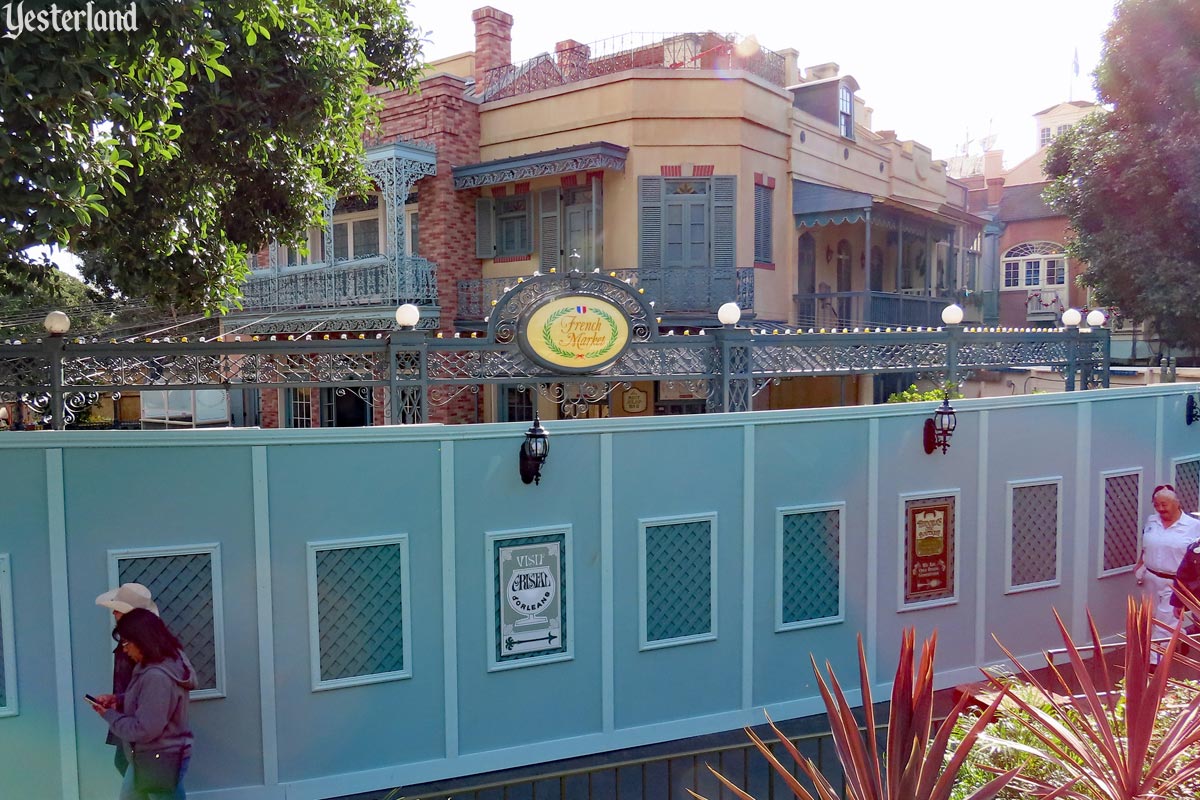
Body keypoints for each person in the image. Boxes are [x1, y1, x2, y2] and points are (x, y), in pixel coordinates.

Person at [91, 608, 195, 800]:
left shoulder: (156, 676)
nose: (124, 648)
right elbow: (151, 701)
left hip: (159, 759)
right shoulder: (160, 664)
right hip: (154, 756)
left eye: (126, 642)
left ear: (142, 640)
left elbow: (145, 730)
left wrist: (110, 715)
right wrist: (119, 700)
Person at [95, 583, 161, 778]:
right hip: (129, 713)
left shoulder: (141, 646)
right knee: (128, 766)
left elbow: (151, 685)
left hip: (138, 719)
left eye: (118, 609)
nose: (114, 613)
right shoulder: (129, 641)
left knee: (138, 770)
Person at [1135, 484, 1200, 661]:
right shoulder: (1152, 521)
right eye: (1157, 505)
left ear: (1176, 504)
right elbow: (1148, 544)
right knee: (1150, 618)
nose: (1160, 509)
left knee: (1164, 622)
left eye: (1165, 504)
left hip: (1174, 582)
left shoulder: (1194, 526)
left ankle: (1155, 664)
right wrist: (1140, 562)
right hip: (1150, 578)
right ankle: (1182, 636)